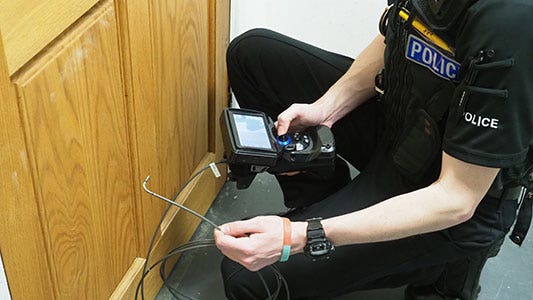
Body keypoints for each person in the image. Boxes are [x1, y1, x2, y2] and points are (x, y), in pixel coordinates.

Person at [214, 0, 533, 299]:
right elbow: (395, 36)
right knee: (252, 55)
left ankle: (441, 265)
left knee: (249, 276)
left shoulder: (510, 25)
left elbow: (458, 198)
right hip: (403, 129)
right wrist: (326, 109)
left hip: (449, 198)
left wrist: (305, 235)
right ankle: (326, 207)